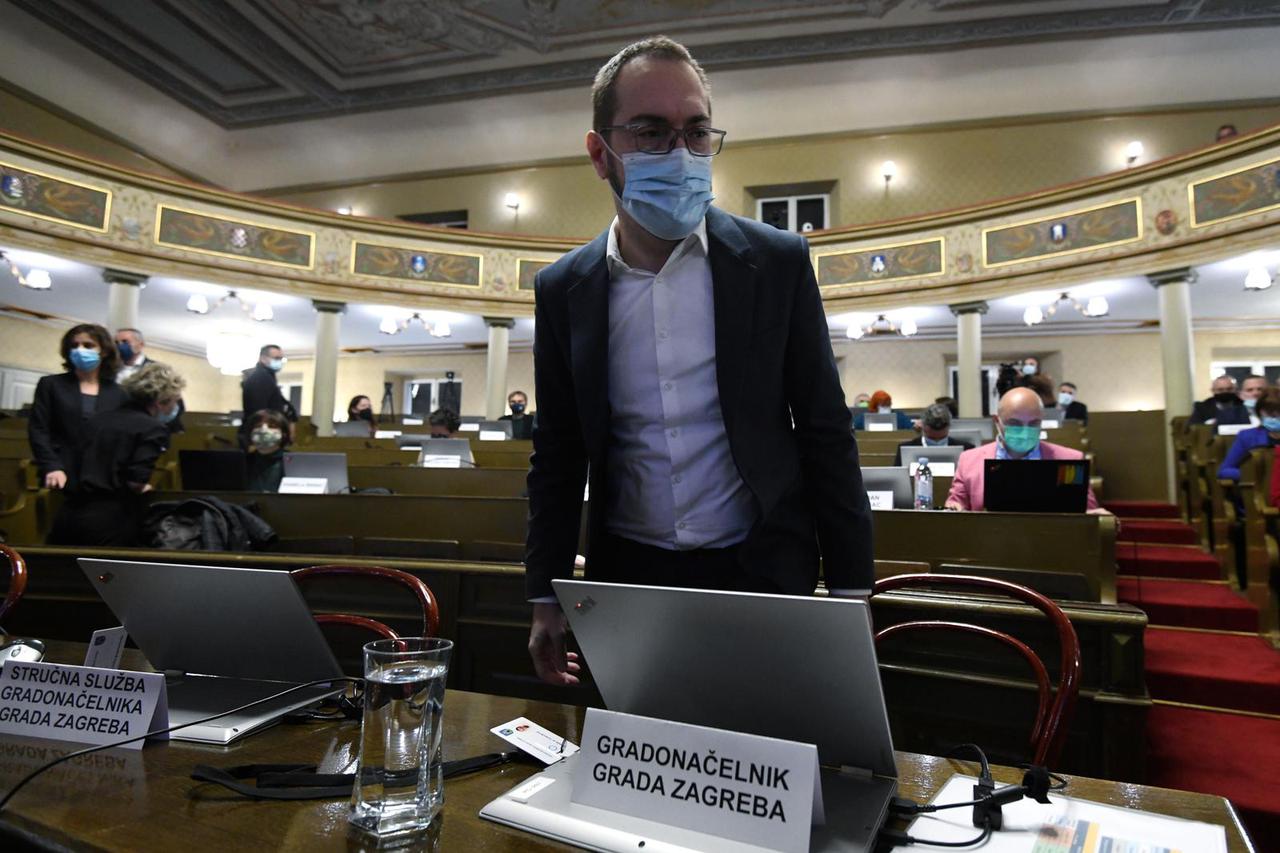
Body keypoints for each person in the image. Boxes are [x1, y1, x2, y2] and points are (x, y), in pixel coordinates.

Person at [524, 36, 873, 686]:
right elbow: (558, 451)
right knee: (637, 748)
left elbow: (826, 430)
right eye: (651, 132)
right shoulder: (563, 288)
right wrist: (545, 592)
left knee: (765, 744)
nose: (680, 153)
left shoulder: (776, 263)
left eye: (696, 131)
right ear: (600, 153)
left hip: (762, 569)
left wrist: (852, 590)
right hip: (629, 579)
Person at [47, 362, 184, 545]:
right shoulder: (153, 428)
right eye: (174, 401)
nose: (175, 407)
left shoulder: (98, 419)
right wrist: (145, 488)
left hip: (67, 513)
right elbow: (135, 482)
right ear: (161, 402)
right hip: (108, 518)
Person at [945, 387, 1103, 513]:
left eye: (1033, 424)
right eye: (1015, 423)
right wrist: (954, 508)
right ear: (997, 421)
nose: (1025, 431)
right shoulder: (969, 460)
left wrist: (1095, 516)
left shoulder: (1069, 460)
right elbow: (956, 504)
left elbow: (1087, 512)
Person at [29, 323, 127, 491]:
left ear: (104, 351)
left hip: (104, 476)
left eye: (88, 345)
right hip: (60, 472)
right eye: (74, 345)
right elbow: (39, 429)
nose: (80, 350)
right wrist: (51, 466)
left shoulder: (119, 393)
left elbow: (123, 437)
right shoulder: (51, 384)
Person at [115, 327, 185, 433]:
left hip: (150, 427)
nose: (120, 346)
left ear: (140, 345)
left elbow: (174, 402)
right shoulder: (110, 370)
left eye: (125, 342)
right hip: (120, 426)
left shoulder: (158, 370)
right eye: (116, 342)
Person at [1217, 388, 1280, 481]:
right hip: (1259, 486)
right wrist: (1251, 473)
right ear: (1260, 412)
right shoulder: (1247, 436)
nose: (1274, 416)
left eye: (1279, 412)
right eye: (1269, 412)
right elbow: (1224, 471)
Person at [240, 344, 296, 443]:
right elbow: (258, 412)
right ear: (263, 359)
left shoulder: (267, 377)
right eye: (276, 358)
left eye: (281, 359)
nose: (279, 361)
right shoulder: (260, 378)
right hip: (263, 436)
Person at [894, 403, 973, 466]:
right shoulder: (904, 449)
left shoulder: (967, 450)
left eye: (942, 438)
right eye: (931, 438)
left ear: (949, 426)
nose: (937, 441)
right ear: (922, 425)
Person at [244, 409, 291, 492]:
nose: (263, 430)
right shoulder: (243, 462)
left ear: (284, 434)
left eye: (271, 426)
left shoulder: (293, 462)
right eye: (258, 426)